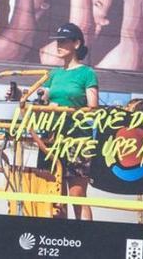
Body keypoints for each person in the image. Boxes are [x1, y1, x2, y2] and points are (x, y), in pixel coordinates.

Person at [39, 22, 99, 220]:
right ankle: (60, 240)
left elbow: (92, 107)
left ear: (76, 43)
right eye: (58, 41)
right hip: (52, 138)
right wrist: (26, 95)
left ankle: (86, 240)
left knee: (77, 194)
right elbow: (43, 96)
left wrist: (67, 110)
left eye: (63, 41)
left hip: (77, 140)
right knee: (55, 194)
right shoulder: (53, 74)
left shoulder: (87, 73)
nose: (59, 44)